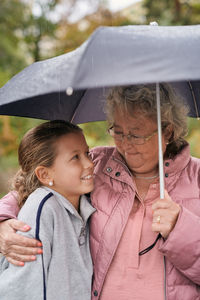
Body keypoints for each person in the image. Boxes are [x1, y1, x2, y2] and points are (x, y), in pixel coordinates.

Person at [0, 84, 200, 300]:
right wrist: (2, 223)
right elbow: (29, 192)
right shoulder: (96, 164)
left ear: (167, 131)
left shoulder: (196, 177)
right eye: (118, 132)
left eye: (136, 135)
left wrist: (180, 228)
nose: (125, 144)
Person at [0, 120, 95, 300]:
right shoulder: (42, 208)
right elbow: (25, 288)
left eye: (87, 153)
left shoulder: (83, 203)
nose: (89, 163)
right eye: (75, 157)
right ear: (45, 174)